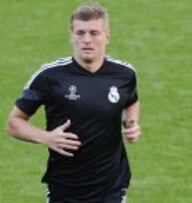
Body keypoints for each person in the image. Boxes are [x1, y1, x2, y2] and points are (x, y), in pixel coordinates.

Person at [6, 2, 140, 203]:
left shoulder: (124, 74)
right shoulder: (49, 77)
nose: (87, 40)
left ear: (107, 36)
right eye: (80, 33)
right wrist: (46, 137)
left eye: (94, 33)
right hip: (65, 188)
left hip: (111, 186)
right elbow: (13, 123)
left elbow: (130, 100)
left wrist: (131, 123)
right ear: (71, 35)